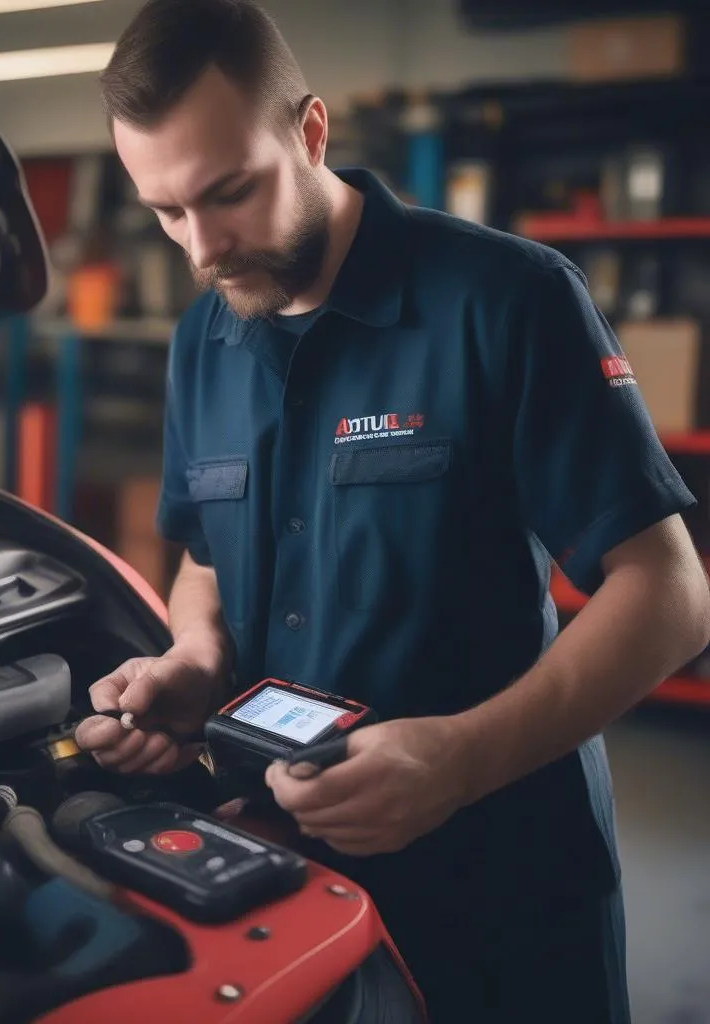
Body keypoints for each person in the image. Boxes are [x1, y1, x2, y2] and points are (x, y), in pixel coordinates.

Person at [73, 1, 710, 1020]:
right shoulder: (205, 337)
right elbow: (202, 551)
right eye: (165, 211)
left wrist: (459, 760)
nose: (199, 246)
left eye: (227, 194)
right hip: (276, 862)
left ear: (310, 133)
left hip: (497, 877)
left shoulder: (506, 298)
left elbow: (670, 593)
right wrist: (194, 659)